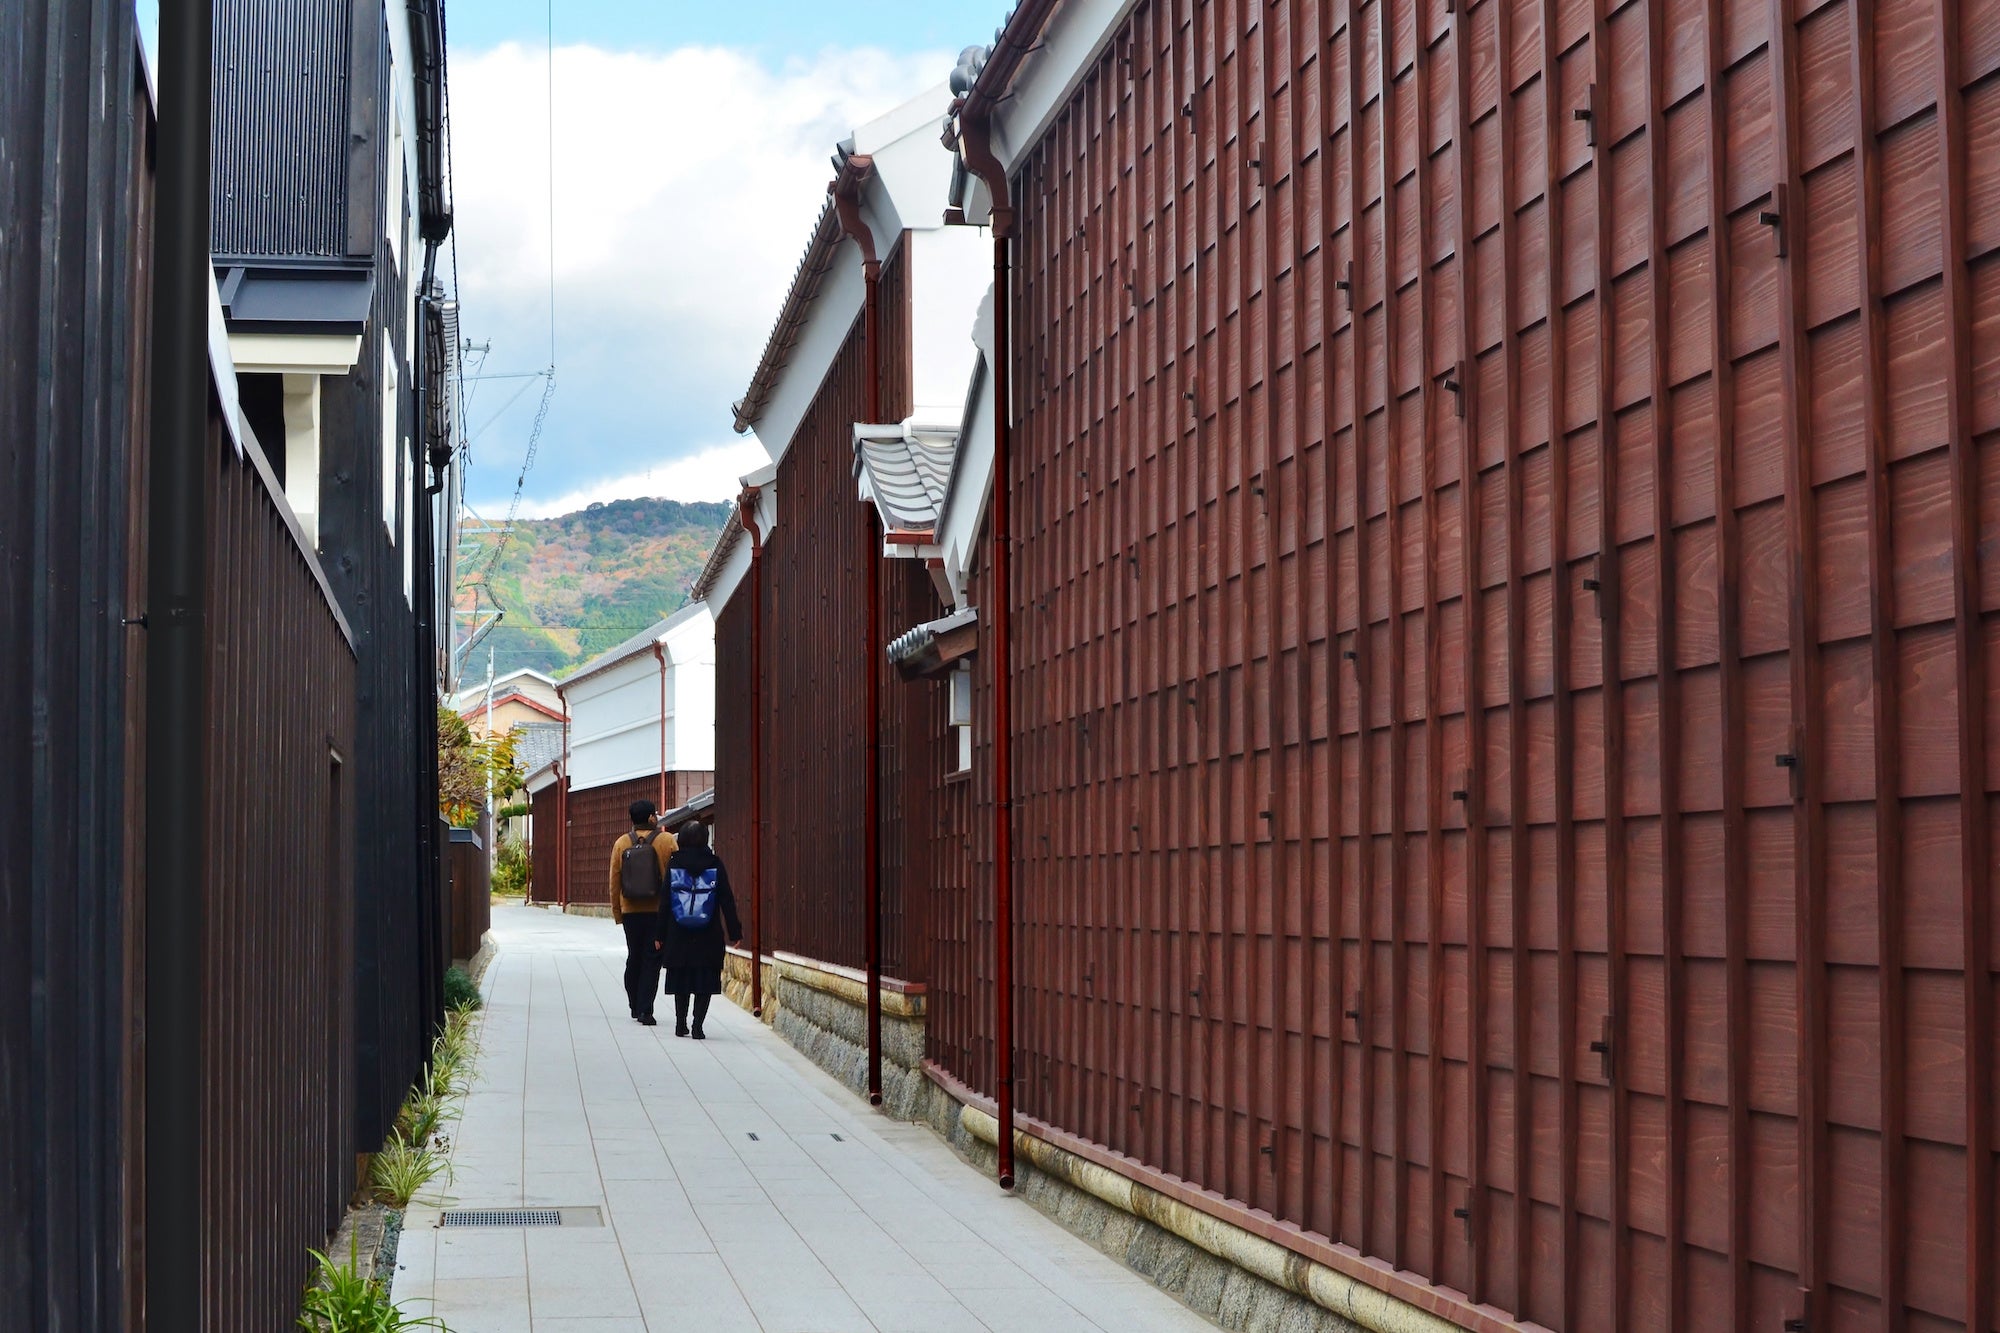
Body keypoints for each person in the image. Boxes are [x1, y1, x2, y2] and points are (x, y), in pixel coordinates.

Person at [654, 821, 742, 1039]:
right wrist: (735, 932)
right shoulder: (715, 864)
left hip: (678, 933)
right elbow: (726, 900)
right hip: (708, 934)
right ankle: (697, 1026)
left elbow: (664, 902)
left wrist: (659, 934)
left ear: (681, 840)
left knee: (681, 979)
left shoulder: (675, 864)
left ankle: (680, 1023)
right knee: (704, 979)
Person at [608, 800, 676, 1026]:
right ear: (650, 818)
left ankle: (634, 1004)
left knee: (633, 957)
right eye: (654, 814)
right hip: (657, 912)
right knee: (652, 960)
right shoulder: (666, 841)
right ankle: (646, 1009)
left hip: (630, 912)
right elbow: (674, 878)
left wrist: (618, 912)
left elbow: (614, 881)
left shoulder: (621, 843)